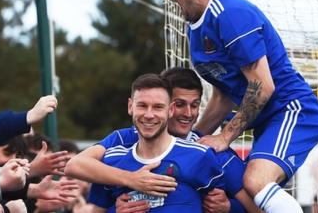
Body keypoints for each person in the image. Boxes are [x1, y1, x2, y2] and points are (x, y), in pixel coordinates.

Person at [162, 0, 318, 212]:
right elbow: (223, 95)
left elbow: (263, 86)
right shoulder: (195, 24)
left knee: (255, 181)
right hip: (265, 119)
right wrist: (194, 137)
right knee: (248, 198)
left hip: (292, 111)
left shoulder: (230, 14)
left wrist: (225, 137)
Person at [80, 67, 258, 212]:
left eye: (194, 105)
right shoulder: (123, 141)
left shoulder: (208, 152)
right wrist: (125, 190)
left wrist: (229, 208)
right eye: (180, 104)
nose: (188, 114)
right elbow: (74, 165)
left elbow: (256, 208)